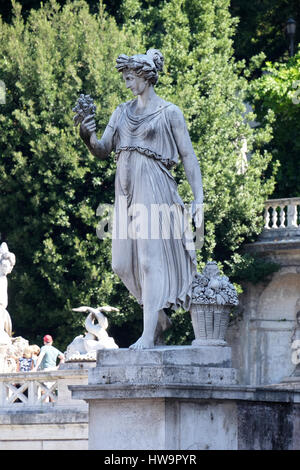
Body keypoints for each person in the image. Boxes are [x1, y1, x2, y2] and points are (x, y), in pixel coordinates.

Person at [79, 49, 204, 349]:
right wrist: (87, 136)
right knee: (120, 264)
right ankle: (158, 315)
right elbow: (103, 148)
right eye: (125, 79)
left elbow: (188, 156)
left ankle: (148, 336)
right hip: (124, 190)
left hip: (156, 187)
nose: (127, 84)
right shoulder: (121, 112)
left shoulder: (169, 113)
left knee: (149, 262)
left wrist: (198, 198)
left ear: (147, 76)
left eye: (131, 78)